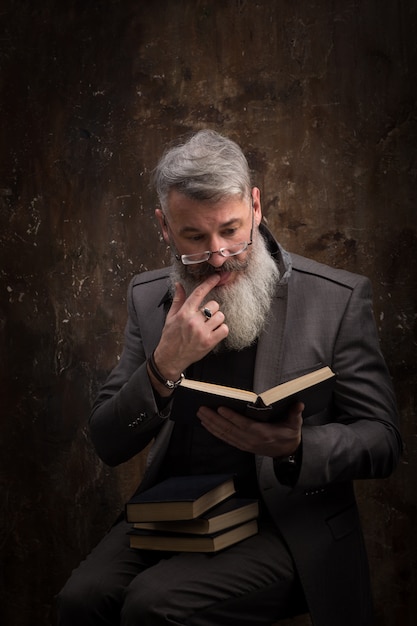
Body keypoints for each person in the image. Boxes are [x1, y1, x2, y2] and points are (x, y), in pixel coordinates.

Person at [57, 129, 402, 626]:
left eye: (231, 230)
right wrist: (162, 367)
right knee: (81, 600)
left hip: (286, 524)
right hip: (176, 512)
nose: (217, 256)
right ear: (164, 227)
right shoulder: (147, 297)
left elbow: (384, 440)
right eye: (194, 237)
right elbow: (108, 441)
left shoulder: (338, 299)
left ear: (256, 207)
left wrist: (296, 447)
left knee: (153, 605)